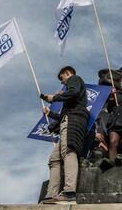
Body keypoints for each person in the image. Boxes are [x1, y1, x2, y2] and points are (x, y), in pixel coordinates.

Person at [40, 66, 88, 204]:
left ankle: (69, 193)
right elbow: (62, 116)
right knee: (54, 159)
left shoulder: (74, 78)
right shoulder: (71, 99)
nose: (62, 82)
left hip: (73, 121)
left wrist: (54, 97)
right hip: (67, 121)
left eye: (62, 78)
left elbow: (72, 92)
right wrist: (50, 113)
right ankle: (51, 195)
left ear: (68, 73)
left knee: (68, 152)